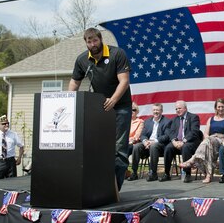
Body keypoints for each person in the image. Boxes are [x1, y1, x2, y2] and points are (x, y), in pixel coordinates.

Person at [68, 27, 132, 191]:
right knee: (98, 148)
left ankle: (114, 190)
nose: (92, 44)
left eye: (95, 40)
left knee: (119, 150)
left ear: (100, 39)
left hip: (121, 107)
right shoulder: (82, 60)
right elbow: (75, 82)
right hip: (98, 109)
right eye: (89, 42)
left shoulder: (117, 54)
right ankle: (100, 187)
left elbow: (124, 81)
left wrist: (113, 100)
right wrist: (68, 101)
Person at [179, 98, 224, 183]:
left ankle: (193, 160)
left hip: (222, 140)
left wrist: (208, 140)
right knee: (207, 145)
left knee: (207, 142)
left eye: (222, 107)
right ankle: (208, 176)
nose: (220, 109)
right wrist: (207, 139)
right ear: (215, 108)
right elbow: (206, 133)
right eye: (219, 107)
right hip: (210, 140)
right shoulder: (211, 119)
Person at [159, 100, 202, 183]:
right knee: (168, 148)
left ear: (185, 108)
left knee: (185, 147)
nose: (177, 110)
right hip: (178, 142)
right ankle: (167, 174)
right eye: (176, 109)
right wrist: (174, 141)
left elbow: (194, 131)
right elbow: (170, 131)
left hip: (191, 143)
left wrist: (184, 141)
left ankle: (187, 174)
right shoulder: (174, 120)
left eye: (179, 108)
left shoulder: (193, 117)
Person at [127, 103, 170, 182]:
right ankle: (134, 172)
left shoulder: (167, 121)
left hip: (160, 145)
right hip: (147, 144)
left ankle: (153, 173)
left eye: (157, 110)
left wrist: (154, 141)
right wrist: (145, 141)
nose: (155, 112)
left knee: (153, 146)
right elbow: (143, 135)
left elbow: (167, 136)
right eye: (154, 110)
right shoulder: (147, 121)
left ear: (161, 111)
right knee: (136, 146)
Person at [0, 115, 24, 180]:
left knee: (12, 183)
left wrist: (19, 158)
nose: (6, 125)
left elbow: (21, 146)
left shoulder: (13, 134)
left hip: (10, 162)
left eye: (7, 123)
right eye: (4, 124)